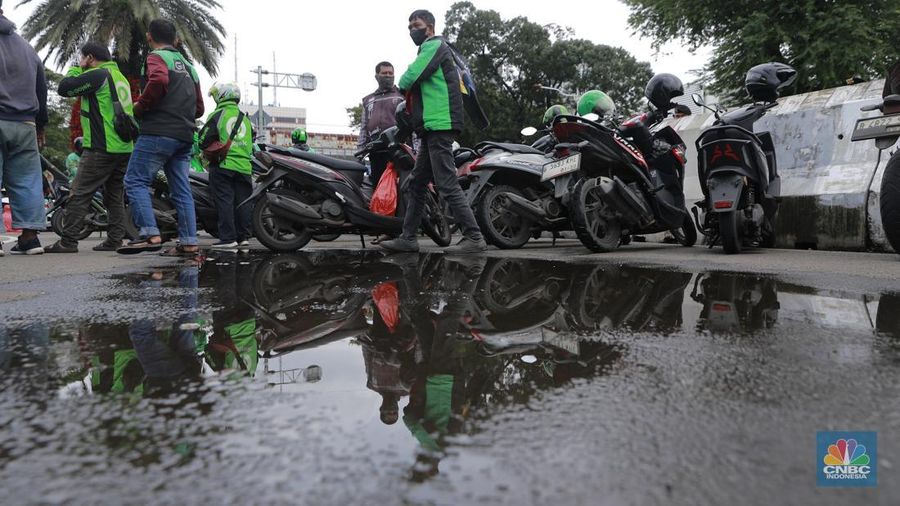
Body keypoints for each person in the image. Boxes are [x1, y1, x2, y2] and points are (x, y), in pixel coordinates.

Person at [380, 9, 486, 254]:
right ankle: (408, 239)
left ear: (429, 26)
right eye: (409, 27)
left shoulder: (435, 46)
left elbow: (409, 77)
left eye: (415, 25)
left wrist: (401, 85)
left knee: (446, 183)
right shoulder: (433, 49)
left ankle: (474, 237)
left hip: (440, 124)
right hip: (431, 127)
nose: (411, 30)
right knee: (416, 183)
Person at [118, 18, 204, 257]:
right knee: (181, 189)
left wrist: (140, 106)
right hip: (185, 136)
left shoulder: (156, 57)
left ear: (149, 36)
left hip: (158, 131)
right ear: (176, 39)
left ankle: (149, 234)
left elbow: (158, 80)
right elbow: (199, 108)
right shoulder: (190, 67)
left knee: (135, 180)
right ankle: (189, 242)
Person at [46, 42, 134, 253]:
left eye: (82, 57)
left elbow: (65, 88)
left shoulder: (98, 74)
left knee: (79, 193)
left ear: (91, 58)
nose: (80, 61)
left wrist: (77, 68)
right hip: (123, 147)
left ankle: (68, 241)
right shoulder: (119, 77)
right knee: (114, 196)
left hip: (101, 146)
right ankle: (115, 239)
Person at [0, 1, 48, 256]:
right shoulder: (26, 47)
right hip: (26, 123)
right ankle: (30, 239)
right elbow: (42, 89)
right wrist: (41, 125)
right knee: (27, 180)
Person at [198, 82, 254, 249]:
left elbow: (202, 139)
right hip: (245, 167)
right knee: (243, 202)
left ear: (222, 96)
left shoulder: (218, 115)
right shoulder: (245, 119)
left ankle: (228, 238)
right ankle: (243, 237)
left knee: (225, 201)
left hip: (224, 164)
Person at [359, 61, 405, 185]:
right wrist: (360, 150)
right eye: (384, 73)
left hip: (399, 150)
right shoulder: (368, 100)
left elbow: (411, 122)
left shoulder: (402, 95)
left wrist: (416, 149)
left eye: (390, 73)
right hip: (376, 151)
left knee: (399, 187)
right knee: (378, 186)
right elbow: (364, 127)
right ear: (377, 76)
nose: (388, 76)